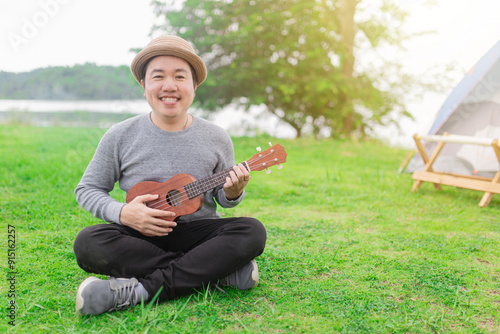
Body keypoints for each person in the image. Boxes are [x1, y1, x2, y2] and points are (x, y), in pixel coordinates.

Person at [73, 35, 267, 316]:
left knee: (252, 232)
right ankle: (215, 272)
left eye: (179, 76)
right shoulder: (120, 135)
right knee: (88, 243)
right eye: (158, 76)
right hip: (140, 236)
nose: (169, 86)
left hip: (198, 235)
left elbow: (224, 200)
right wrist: (123, 213)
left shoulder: (217, 137)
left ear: (194, 85)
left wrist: (234, 192)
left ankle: (139, 291)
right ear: (144, 85)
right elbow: (88, 188)